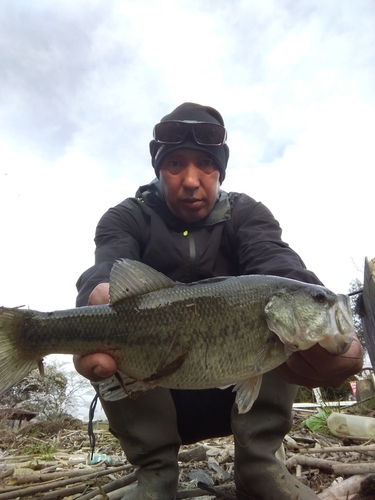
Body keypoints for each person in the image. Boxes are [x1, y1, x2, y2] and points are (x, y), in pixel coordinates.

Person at [74, 102, 363, 500]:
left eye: (206, 165)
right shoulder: (125, 217)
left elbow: (278, 263)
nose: (191, 180)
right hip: (154, 389)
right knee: (102, 336)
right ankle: (155, 474)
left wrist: (319, 312)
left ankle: (259, 466)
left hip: (234, 387)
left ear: (220, 170)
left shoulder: (246, 214)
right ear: (158, 171)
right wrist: (95, 295)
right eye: (175, 164)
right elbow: (105, 268)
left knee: (279, 334)